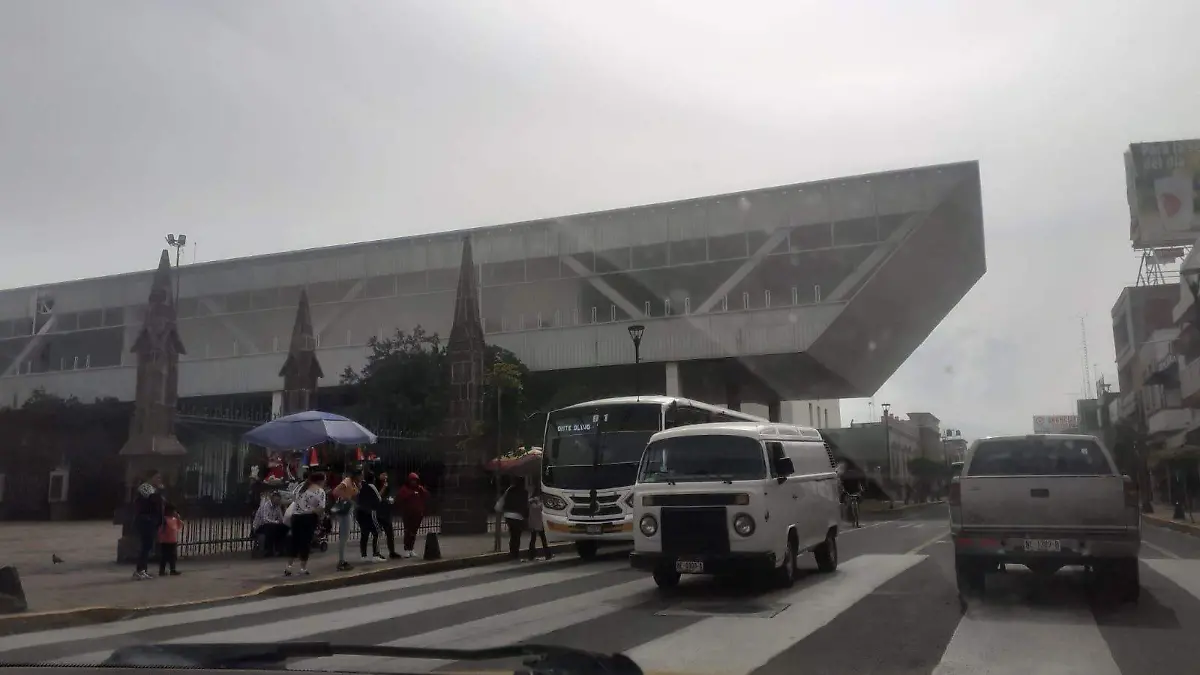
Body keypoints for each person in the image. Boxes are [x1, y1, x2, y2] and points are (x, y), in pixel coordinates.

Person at [285, 472, 327, 577]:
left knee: (294, 541)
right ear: (320, 481)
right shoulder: (320, 491)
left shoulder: (301, 487)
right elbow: (321, 508)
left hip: (295, 516)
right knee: (305, 543)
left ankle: (288, 567)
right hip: (308, 518)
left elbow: (294, 498)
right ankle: (303, 568)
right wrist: (317, 514)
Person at [132, 470, 166, 581]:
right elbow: (155, 502)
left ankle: (143, 570)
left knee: (148, 546)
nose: (159, 480)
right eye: (157, 477)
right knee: (145, 546)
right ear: (150, 478)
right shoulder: (145, 488)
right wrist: (160, 491)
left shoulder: (153, 489)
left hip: (151, 521)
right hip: (146, 521)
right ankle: (140, 570)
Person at [330, 468, 362, 571]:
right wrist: (346, 499)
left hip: (349, 511)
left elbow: (355, 494)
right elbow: (335, 491)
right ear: (356, 475)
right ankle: (341, 561)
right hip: (344, 511)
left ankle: (342, 559)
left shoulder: (354, 483)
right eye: (361, 475)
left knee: (345, 536)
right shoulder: (347, 481)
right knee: (343, 537)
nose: (362, 477)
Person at [397, 472, 430, 558]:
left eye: (415, 481)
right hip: (408, 514)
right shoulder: (404, 489)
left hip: (418, 514)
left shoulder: (419, 489)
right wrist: (411, 494)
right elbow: (400, 498)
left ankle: (411, 549)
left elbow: (426, 495)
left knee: (413, 532)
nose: (414, 482)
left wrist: (422, 490)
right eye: (412, 481)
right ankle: (406, 549)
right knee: (408, 531)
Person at [355, 471, 386, 563]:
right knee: (377, 532)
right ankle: (376, 554)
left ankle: (363, 555)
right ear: (373, 479)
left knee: (364, 533)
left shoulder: (360, 485)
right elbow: (379, 498)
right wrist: (384, 487)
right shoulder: (371, 486)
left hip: (360, 512)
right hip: (370, 512)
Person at [500, 476, 529, 561]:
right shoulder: (524, 492)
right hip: (518, 516)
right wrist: (526, 517)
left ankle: (512, 552)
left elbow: (505, 502)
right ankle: (515, 554)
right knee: (516, 536)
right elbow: (524, 506)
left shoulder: (509, 490)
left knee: (512, 534)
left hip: (508, 515)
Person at [253, 491, 288, 556]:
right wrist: (276, 522)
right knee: (271, 528)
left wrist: (284, 509)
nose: (277, 501)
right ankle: (269, 550)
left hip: (271, 526)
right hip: (260, 526)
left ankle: (280, 550)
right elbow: (265, 520)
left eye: (279, 500)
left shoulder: (277, 506)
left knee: (284, 528)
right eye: (276, 500)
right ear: (272, 499)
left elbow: (281, 519)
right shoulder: (266, 505)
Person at [376, 473, 401, 559]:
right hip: (378, 513)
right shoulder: (376, 485)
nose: (385, 477)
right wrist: (384, 487)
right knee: (377, 534)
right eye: (383, 475)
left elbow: (390, 495)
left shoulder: (388, 486)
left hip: (386, 512)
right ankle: (376, 553)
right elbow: (377, 497)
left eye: (386, 475)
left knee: (390, 533)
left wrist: (391, 499)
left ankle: (392, 552)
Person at [527, 485, 552, 561]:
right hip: (540, 522)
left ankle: (531, 555)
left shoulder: (530, 501)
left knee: (533, 539)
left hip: (533, 522)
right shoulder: (539, 501)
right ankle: (547, 554)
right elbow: (540, 508)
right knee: (543, 539)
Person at [158, 505, 183, 576]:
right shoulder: (164, 520)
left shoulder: (174, 519)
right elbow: (160, 529)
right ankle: (162, 570)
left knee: (173, 556)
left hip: (173, 540)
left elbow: (179, 525)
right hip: (165, 541)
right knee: (164, 557)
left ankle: (173, 569)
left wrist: (178, 518)